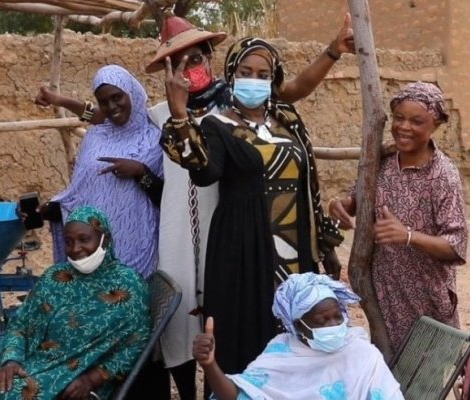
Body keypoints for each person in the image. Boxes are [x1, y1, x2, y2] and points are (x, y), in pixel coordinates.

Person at [35, 13, 354, 399]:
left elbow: (291, 90)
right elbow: (106, 114)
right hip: (179, 234)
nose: (190, 68)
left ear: (210, 57)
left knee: (241, 315)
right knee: (182, 321)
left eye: (196, 58)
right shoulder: (159, 113)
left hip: (232, 229)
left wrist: (333, 51)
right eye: (179, 62)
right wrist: (61, 102)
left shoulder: (234, 103)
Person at [161, 37, 345, 376]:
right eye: (246, 72)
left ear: (273, 79)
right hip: (243, 250)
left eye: (263, 75)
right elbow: (204, 173)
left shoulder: (288, 119)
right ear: (232, 74)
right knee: (248, 335)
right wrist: (179, 113)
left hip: (295, 250)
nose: (254, 80)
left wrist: (325, 245)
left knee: (299, 331)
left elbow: (309, 184)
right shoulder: (218, 125)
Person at [329, 82, 468, 354]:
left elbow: (456, 246)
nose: (404, 127)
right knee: (384, 363)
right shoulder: (381, 161)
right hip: (383, 293)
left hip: (426, 298)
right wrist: (340, 205)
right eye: (399, 118)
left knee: (424, 371)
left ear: (436, 124)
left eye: (417, 121)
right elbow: (357, 200)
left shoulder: (442, 176)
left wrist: (407, 236)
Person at [0, 206, 150, 400]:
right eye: (69, 242)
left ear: (105, 239)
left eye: (84, 239)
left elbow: (136, 343)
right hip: (30, 363)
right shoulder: (55, 277)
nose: (75, 249)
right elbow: (21, 323)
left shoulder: (129, 286)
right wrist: (11, 359)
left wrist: (92, 380)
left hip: (71, 382)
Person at [38, 65, 163, 279]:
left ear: (131, 92)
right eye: (103, 102)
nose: (112, 107)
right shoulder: (96, 136)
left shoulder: (155, 137)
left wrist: (140, 172)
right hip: (91, 251)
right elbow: (81, 193)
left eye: (117, 97)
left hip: (136, 247)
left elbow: (167, 198)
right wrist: (49, 210)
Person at [193, 272, 404, 400]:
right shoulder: (281, 352)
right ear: (298, 326)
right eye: (321, 321)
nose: (332, 326)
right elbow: (239, 395)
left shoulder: (362, 354)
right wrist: (210, 365)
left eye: (337, 317)